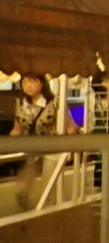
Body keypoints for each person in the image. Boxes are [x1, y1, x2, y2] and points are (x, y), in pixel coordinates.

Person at [10, 75, 74, 210]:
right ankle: (31, 214)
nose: (28, 85)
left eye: (33, 81)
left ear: (42, 83)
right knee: (21, 191)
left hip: (53, 148)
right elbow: (17, 129)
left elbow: (71, 127)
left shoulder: (55, 102)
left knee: (49, 189)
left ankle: (49, 216)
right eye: (24, 82)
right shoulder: (21, 103)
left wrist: (68, 147)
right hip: (31, 150)